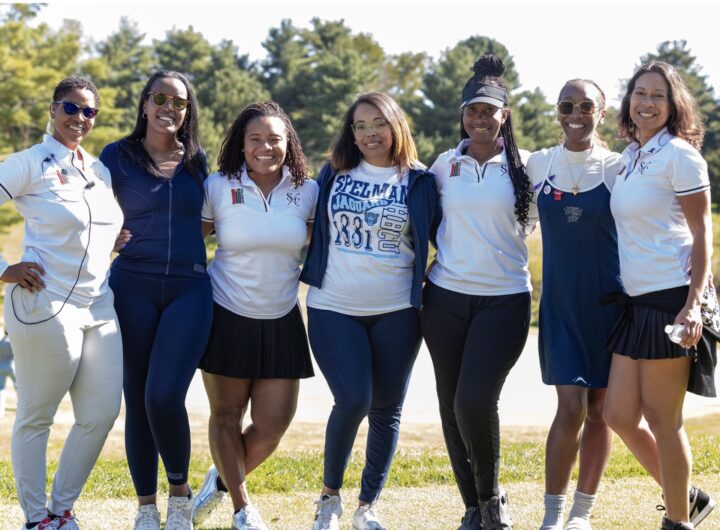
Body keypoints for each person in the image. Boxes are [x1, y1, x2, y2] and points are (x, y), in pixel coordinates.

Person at [299, 91, 440, 530]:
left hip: (398, 310)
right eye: (360, 126)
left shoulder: (420, 180)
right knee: (354, 399)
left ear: (396, 125)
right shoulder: (333, 173)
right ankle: (329, 499)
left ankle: (367, 506)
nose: (369, 133)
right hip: (333, 307)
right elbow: (304, 225)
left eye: (378, 123)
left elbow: (446, 234)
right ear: (352, 134)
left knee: (386, 409)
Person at [0, 76, 124, 530]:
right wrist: (4, 268)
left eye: (89, 111)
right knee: (37, 416)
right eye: (71, 107)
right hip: (44, 302)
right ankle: (37, 519)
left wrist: (110, 241)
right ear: (53, 110)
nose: (80, 118)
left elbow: (91, 226)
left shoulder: (98, 170)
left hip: (99, 305)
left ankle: (61, 510)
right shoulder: (28, 163)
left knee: (101, 413)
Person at [189, 101, 317, 530]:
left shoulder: (308, 190)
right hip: (225, 313)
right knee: (226, 416)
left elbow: (324, 242)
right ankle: (243, 509)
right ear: (241, 145)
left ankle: (221, 481)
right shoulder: (217, 185)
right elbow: (187, 240)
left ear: (288, 144)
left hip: (282, 317)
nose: (266, 147)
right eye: (256, 139)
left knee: (273, 424)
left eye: (275, 139)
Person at [420, 55, 534, 530]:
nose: (481, 118)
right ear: (463, 114)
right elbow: (425, 221)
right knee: (451, 405)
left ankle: (491, 500)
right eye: (473, 110)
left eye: (490, 110)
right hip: (444, 300)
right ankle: (474, 508)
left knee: (474, 400)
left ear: (505, 114)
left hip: (504, 301)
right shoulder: (444, 165)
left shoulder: (526, 166)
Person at [603, 61, 716, 530]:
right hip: (636, 301)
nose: (646, 103)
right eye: (640, 93)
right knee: (617, 414)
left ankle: (678, 521)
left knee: (663, 419)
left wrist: (693, 305)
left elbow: (703, 233)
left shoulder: (680, 156)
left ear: (673, 105)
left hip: (672, 298)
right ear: (629, 101)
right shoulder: (629, 157)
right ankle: (687, 499)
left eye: (658, 96)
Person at [100, 70, 212, 530]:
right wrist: (107, 237)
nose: (169, 108)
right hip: (131, 286)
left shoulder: (199, 162)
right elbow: (88, 211)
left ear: (188, 111)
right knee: (138, 398)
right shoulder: (115, 156)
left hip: (189, 287)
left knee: (164, 395)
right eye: (160, 98)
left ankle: (180, 496)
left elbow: (211, 218)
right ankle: (146, 507)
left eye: (179, 102)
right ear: (144, 104)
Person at [525, 79, 623, 530]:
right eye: (567, 105)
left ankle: (581, 514)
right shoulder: (538, 163)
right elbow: (514, 218)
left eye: (586, 106)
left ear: (601, 112)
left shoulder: (619, 167)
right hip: (561, 307)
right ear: (557, 111)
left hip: (611, 305)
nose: (576, 114)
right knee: (570, 407)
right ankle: (552, 514)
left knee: (601, 411)